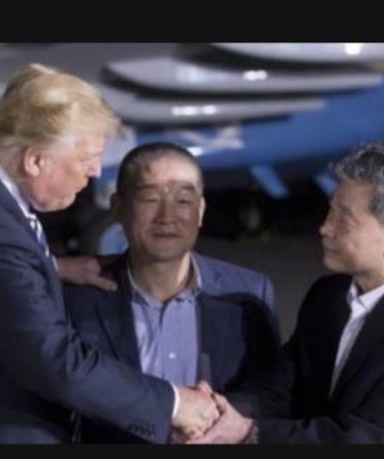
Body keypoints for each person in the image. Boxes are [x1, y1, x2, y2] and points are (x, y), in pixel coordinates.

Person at [0, 63, 218, 443]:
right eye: (86, 158)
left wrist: (49, 266)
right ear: (34, 160)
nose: (95, 171)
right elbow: (57, 363)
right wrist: (172, 404)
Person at [187, 142, 384, 444]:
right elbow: (283, 386)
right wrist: (223, 410)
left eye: (344, 220)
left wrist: (249, 431)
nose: (325, 228)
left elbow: (362, 439)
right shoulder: (328, 296)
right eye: (330, 211)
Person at [63, 141, 281, 442]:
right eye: (150, 199)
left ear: (201, 211)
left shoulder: (249, 292)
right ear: (118, 207)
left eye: (183, 200)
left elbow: (270, 391)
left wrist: (215, 415)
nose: (167, 216)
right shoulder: (79, 296)